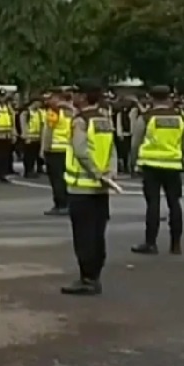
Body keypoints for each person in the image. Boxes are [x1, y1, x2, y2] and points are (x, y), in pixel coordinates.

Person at [61, 85, 118, 296]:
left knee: (84, 235)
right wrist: (110, 173)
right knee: (98, 233)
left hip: (82, 187)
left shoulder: (81, 121)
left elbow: (80, 151)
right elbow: (112, 148)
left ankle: (87, 278)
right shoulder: (104, 120)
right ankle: (95, 276)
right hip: (101, 188)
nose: (73, 97)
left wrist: (96, 172)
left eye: (76, 93)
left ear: (83, 97)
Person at [129, 85, 184, 255]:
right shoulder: (180, 117)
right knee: (174, 203)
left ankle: (150, 242)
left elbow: (135, 143)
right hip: (173, 164)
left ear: (151, 98)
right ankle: (176, 244)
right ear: (169, 97)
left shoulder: (147, 117)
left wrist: (134, 163)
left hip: (151, 165)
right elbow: (183, 140)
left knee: (153, 204)